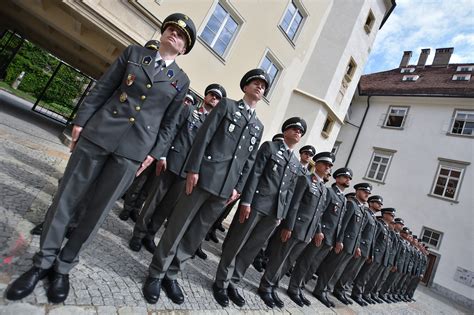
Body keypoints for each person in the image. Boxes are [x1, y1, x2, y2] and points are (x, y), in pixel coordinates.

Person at [5, 13, 196, 304]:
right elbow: (105, 87)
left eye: (181, 36)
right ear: (162, 33)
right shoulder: (135, 53)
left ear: (183, 48)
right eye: (171, 29)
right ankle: (42, 263)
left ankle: (64, 266)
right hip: (99, 133)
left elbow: (169, 124)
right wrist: (81, 120)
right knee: (66, 198)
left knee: (97, 211)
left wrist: (154, 153)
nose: (174, 34)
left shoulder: (180, 80)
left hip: (133, 151)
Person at [142, 68, 269, 305]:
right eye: (256, 82)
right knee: (178, 226)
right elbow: (204, 137)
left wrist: (237, 188)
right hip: (203, 177)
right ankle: (156, 273)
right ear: (245, 86)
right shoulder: (227, 106)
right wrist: (193, 169)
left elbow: (249, 161)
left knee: (195, 235)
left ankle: (172, 273)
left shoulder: (258, 126)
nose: (260, 87)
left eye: (263, 86)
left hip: (225, 189)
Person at [213, 117, 305, 308]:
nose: (298, 133)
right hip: (256, 203)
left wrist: (281, 215)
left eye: (301, 131)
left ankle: (233, 282)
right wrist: (246, 201)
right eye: (295, 129)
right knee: (237, 242)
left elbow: (288, 192)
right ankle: (221, 282)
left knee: (252, 249)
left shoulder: (295, 163)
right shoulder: (270, 148)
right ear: (286, 130)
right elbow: (255, 174)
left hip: (273, 213)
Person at [128, 83, 226, 254]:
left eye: (217, 98)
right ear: (205, 96)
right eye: (212, 95)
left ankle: (150, 235)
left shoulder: (214, 126)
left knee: (167, 206)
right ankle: (138, 234)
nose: (214, 99)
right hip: (171, 162)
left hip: (187, 172)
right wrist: (163, 155)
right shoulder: (189, 111)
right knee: (153, 201)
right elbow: (172, 131)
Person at [285, 152, 334, 306]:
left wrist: (317, 230)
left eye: (330, 166)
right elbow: (295, 205)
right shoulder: (305, 179)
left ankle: (290, 288)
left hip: (308, 231)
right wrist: (289, 226)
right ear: (317, 164)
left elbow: (319, 213)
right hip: (296, 227)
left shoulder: (323, 188)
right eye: (325, 164)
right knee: (282, 258)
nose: (328, 167)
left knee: (290, 261)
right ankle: (267, 286)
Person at [310, 182, 370, 308]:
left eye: (368, 193)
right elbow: (343, 224)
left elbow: (358, 231)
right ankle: (320, 290)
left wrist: (356, 245)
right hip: (344, 243)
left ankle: (326, 290)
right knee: (331, 268)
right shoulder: (351, 204)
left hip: (351, 245)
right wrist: (339, 240)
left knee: (337, 270)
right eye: (365, 191)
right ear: (357, 191)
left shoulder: (361, 209)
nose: (367, 194)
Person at [333, 195, 383, 305]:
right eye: (378, 203)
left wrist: (370, 252)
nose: (380, 205)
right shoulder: (365, 213)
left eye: (381, 204)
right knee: (347, 270)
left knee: (353, 273)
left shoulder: (374, 219)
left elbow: (372, 238)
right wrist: (358, 246)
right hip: (358, 247)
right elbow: (359, 231)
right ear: (370, 203)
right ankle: (338, 290)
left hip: (365, 250)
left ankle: (343, 290)